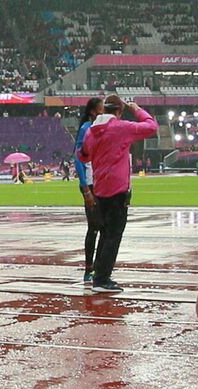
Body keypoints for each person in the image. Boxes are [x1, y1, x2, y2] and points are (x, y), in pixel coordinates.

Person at [79, 93, 157, 293]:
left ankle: (99, 273)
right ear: (120, 111)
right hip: (118, 188)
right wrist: (137, 109)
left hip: (100, 187)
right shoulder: (122, 128)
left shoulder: (91, 131)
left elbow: (83, 155)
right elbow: (151, 126)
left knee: (104, 233)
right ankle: (102, 279)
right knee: (114, 234)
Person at [75, 96, 105, 286]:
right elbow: (78, 159)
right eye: (102, 109)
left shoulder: (98, 129)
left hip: (101, 183)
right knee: (94, 227)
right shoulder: (87, 128)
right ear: (94, 111)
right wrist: (85, 187)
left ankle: (100, 269)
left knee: (103, 228)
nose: (105, 112)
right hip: (91, 184)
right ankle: (89, 270)